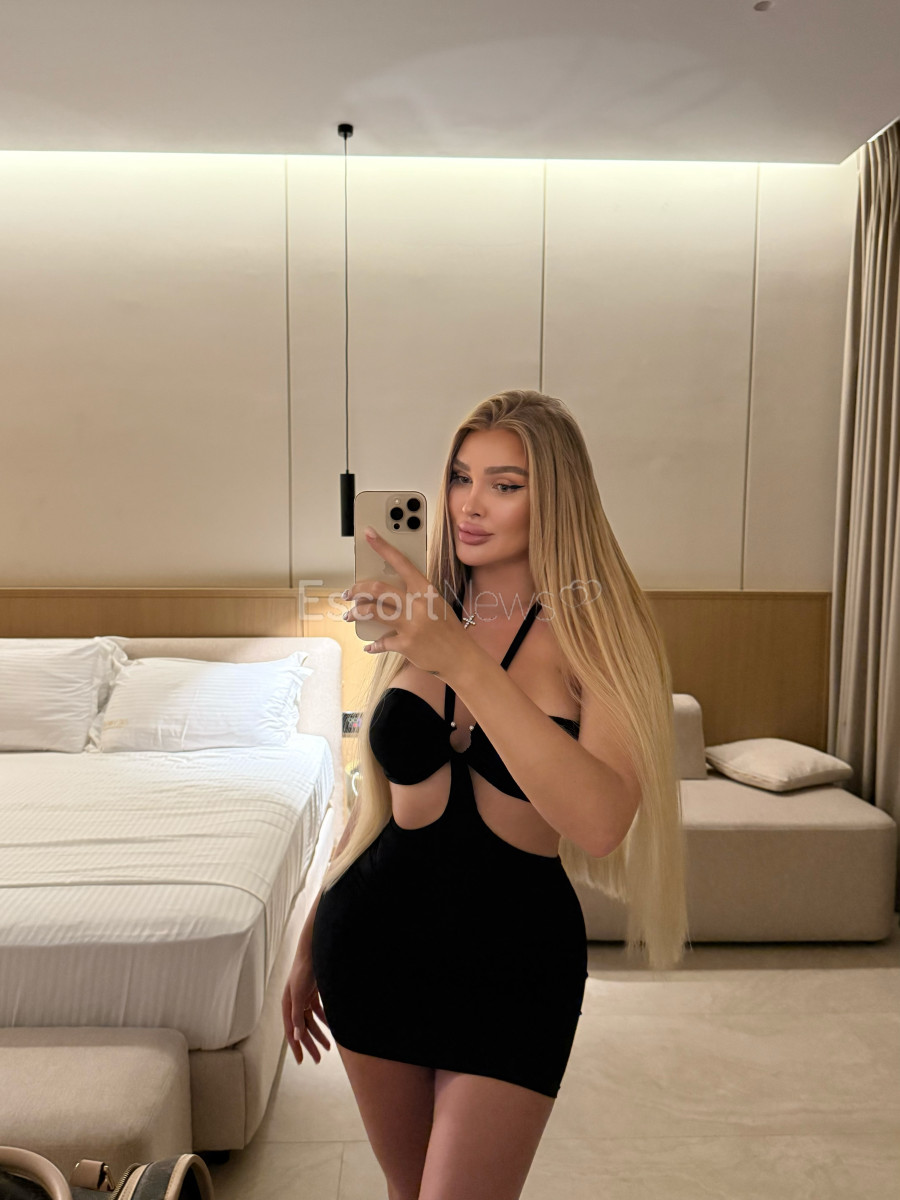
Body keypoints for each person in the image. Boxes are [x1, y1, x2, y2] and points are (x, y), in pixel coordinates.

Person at [282, 389, 688, 1200]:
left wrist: (459, 658)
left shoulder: (601, 631)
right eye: (461, 478)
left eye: (505, 485)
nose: (470, 505)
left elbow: (601, 822)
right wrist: (308, 940)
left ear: (556, 499)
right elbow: (372, 804)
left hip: (513, 966)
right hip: (372, 947)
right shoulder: (422, 609)